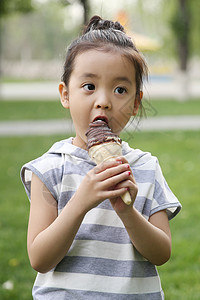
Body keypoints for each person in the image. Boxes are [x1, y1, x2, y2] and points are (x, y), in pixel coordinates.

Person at [21, 15, 181, 299]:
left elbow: (161, 253)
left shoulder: (145, 167)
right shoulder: (49, 168)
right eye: (89, 86)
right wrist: (81, 202)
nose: (104, 100)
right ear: (65, 94)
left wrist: (127, 213)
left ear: (135, 103)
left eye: (120, 89)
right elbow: (39, 258)